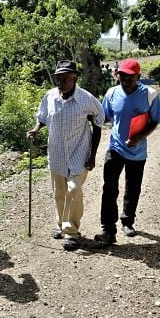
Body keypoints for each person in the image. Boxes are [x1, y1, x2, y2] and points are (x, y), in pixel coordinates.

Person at [27, 60, 104, 251]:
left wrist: (93, 155)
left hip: (79, 153)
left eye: (64, 79)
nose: (60, 83)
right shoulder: (50, 96)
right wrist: (36, 129)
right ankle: (61, 224)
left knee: (73, 190)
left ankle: (72, 232)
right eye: (57, 79)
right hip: (57, 154)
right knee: (59, 192)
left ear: (74, 78)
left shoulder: (87, 99)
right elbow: (43, 117)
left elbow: (98, 123)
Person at [94, 59, 160, 245]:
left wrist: (140, 137)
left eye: (129, 78)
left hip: (138, 151)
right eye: (122, 77)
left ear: (138, 77)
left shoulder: (150, 95)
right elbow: (104, 116)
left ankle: (128, 221)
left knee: (132, 189)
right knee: (109, 188)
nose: (125, 81)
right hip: (115, 147)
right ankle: (108, 229)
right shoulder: (111, 93)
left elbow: (155, 121)